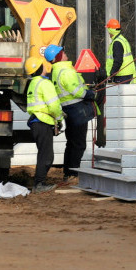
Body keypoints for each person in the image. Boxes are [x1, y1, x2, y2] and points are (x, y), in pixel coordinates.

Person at [46, 44, 95, 180]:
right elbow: (76, 91)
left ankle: (68, 172)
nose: (65, 53)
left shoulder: (57, 71)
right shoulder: (66, 71)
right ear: (58, 57)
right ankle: (72, 174)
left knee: (72, 143)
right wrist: (90, 94)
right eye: (62, 52)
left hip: (69, 110)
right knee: (79, 144)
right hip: (76, 110)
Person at [25, 54, 63, 192]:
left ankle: (39, 183)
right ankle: (39, 184)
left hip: (37, 122)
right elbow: (53, 106)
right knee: (46, 156)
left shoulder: (33, 83)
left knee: (44, 154)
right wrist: (59, 119)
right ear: (40, 68)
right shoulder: (44, 83)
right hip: (43, 122)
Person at [104, 18, 136, 84]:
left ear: (111, 30)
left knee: (120, 94)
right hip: (127, 73)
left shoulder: (117, 43)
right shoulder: (122, 39)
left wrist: (112, 74)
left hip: (121, 75)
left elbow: (118, 61)